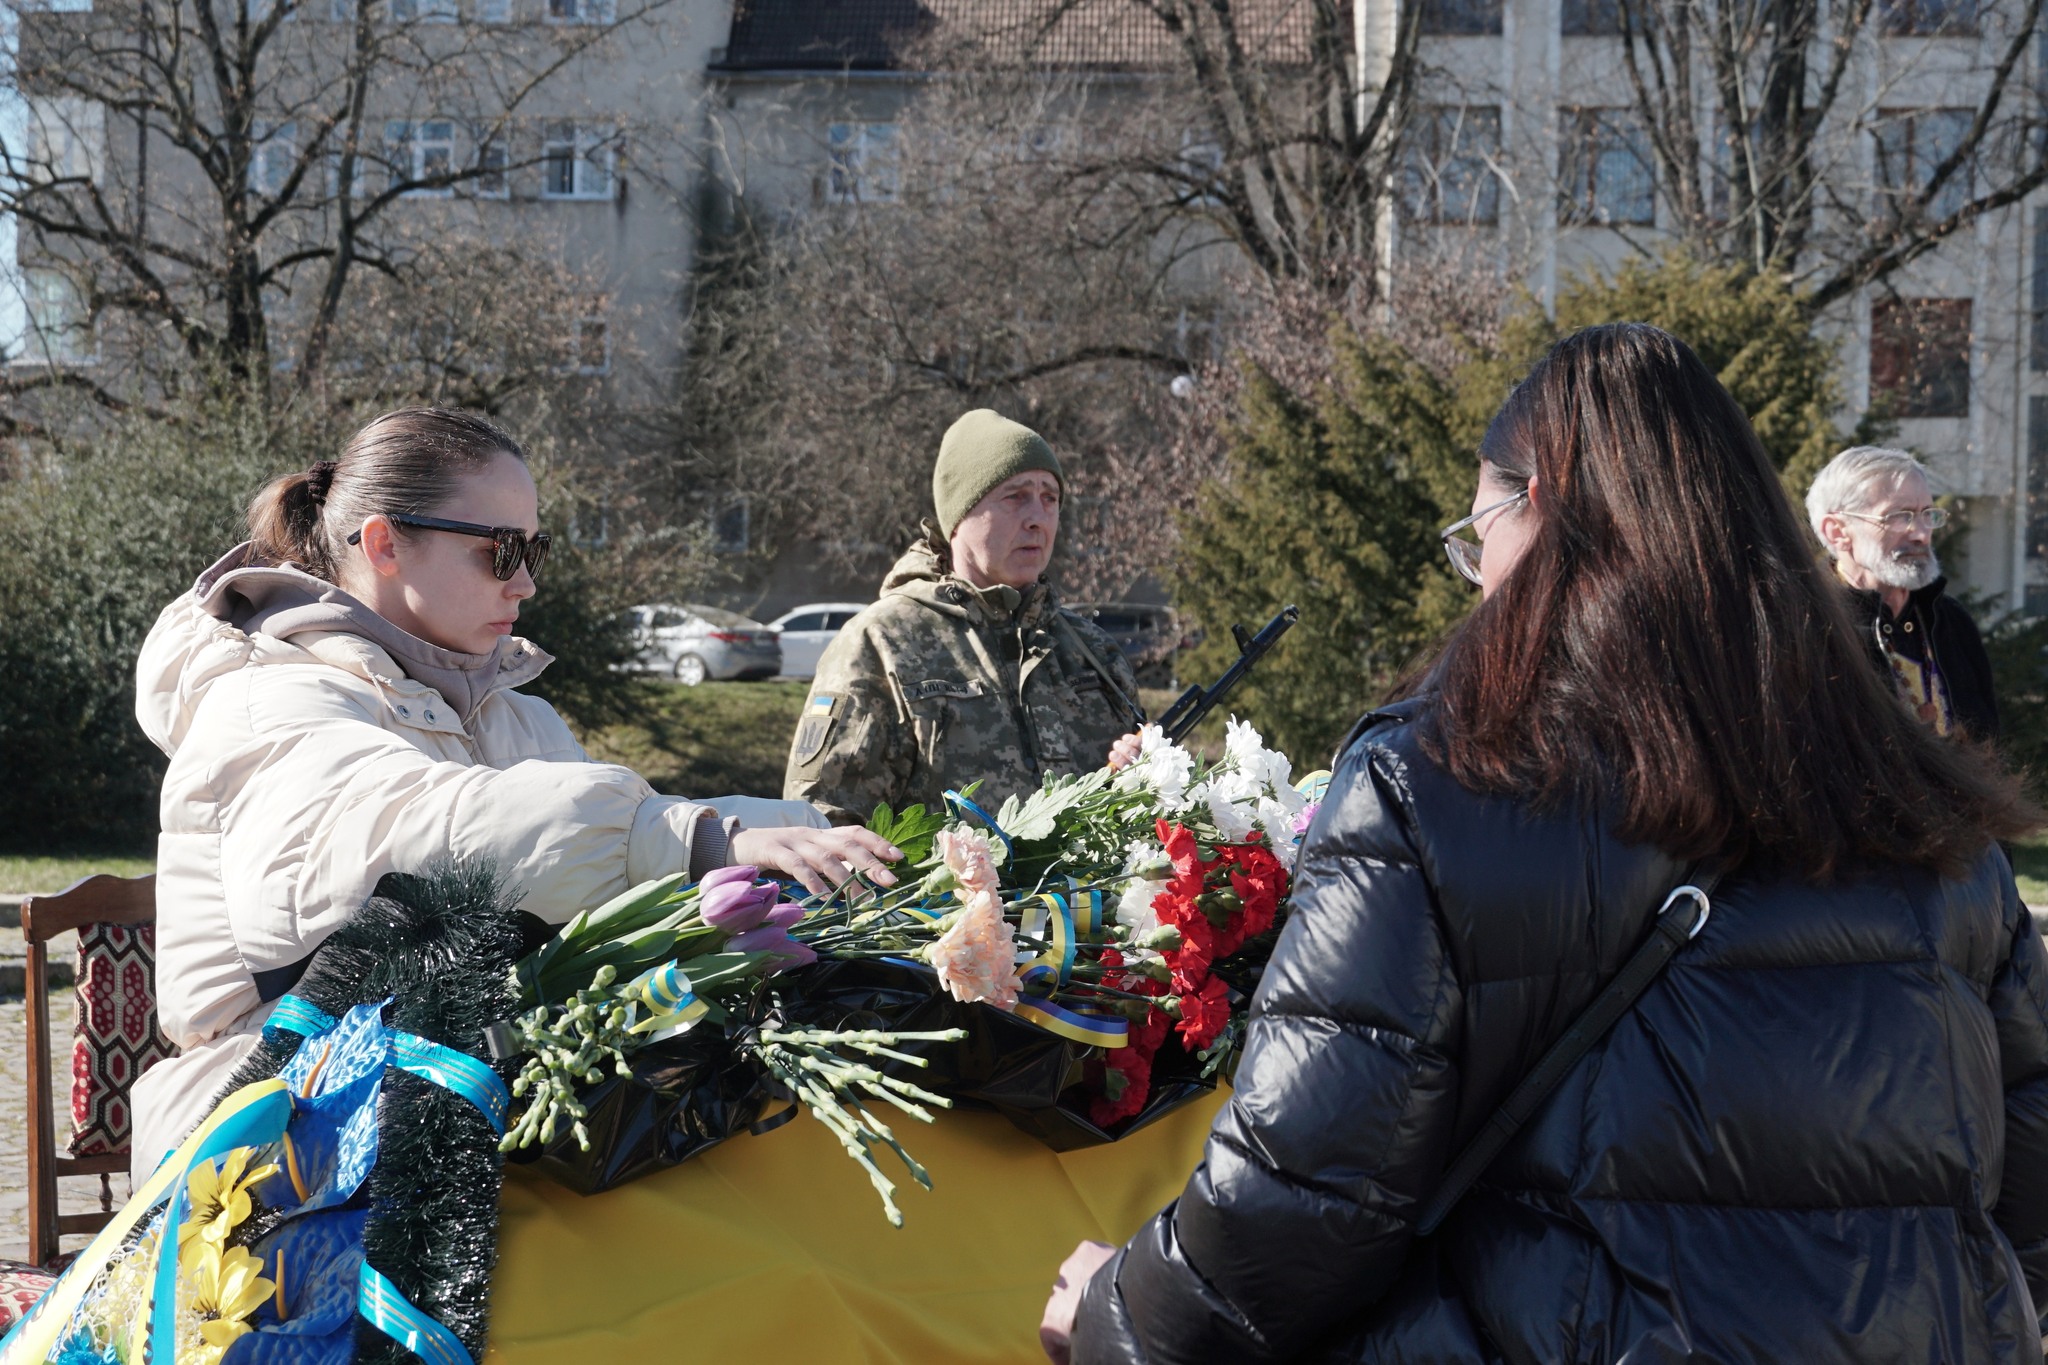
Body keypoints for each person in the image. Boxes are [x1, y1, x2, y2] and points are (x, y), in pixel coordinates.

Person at [1041, 325, 2048, 1364]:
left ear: (1544, 512)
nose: (1477, 576)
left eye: (1479, 530)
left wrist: (1119, 1311)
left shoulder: (1442, 775)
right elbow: (2028, 1180)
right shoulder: (1914, 795)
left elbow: (1308, 1188)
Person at [131, 408, 901, 1175]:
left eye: (534, 548)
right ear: (384, 544)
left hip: (454, 1085)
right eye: (499, 551)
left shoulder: (513, 714)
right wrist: (703, 840)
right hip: (262, 1131)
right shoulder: (266, 698)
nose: (526, 581)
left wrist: (808, 839)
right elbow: (415, 837)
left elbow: (621, 843)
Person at [785, 408, 1145, 825]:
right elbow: (821, 825)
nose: (1037, 518)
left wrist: (1143, 775)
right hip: (939, 891)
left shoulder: (1092, 651)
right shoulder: (881, 643)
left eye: (1050, 498)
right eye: (1016, 496)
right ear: (959, 516)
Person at [1807, 444, 1998, 739]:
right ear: (1837, 531)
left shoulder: (1951, 621)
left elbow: (1990, 746)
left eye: (1927, 514)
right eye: (1899, 516)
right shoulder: (1805, 627)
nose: (1921, 534)